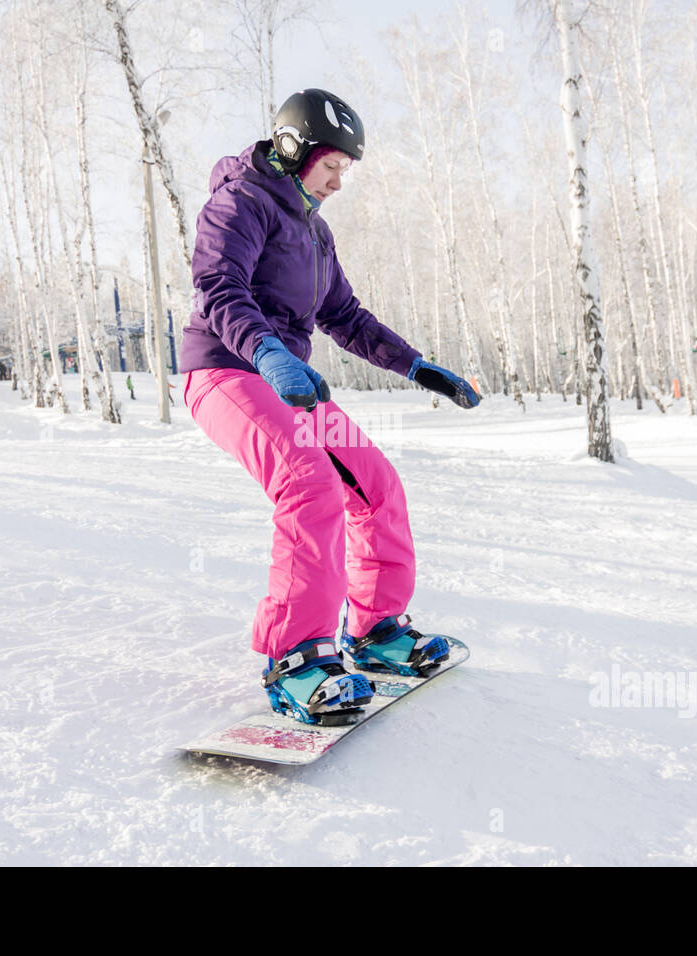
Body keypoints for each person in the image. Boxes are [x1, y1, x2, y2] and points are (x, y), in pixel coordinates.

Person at [180, 88, 480, 726]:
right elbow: (217, 286)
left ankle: (375, 630)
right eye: (333, 165)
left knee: (375, 484)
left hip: (290, 381)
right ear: (294, 149)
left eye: (347, 169)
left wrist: (416, 365)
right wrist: (266, 350)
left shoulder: (314, 231)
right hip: (226, 369)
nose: (341, 180)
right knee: (308, 481)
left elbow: (344, 316)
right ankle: (297, 657)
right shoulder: (240, 201)